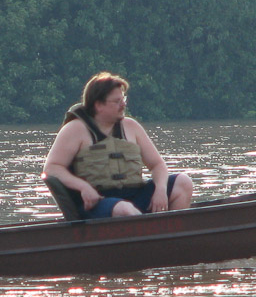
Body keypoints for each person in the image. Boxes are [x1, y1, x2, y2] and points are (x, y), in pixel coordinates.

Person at [42, 72, 193, 218]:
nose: (123, 105)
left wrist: (160, 189)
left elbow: (157, 164)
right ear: (99, 105)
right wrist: (83, 187)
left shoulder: (131, 126)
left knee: (183, 182)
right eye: (117, 101)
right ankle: (145, 236)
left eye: (123, 99)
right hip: (99, 202)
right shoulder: (75, 129)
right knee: (125, 209)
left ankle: (167, 238)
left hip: (136, 195)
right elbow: (52, 168)